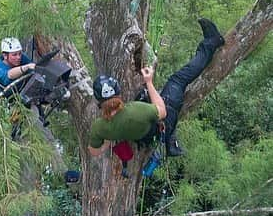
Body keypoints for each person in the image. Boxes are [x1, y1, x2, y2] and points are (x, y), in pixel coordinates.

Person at [88, 18, 225, 157]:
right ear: (117, 91)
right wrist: (149, 81)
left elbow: (94, 152)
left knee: (145, 95)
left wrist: (107, 140)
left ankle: (171, 140)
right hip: (164, 119)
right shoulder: (136, 110)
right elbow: (162, 112)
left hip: (146, 135)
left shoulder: (99, 127)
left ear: (99, 101)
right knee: (178, 79)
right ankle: (212, 42)